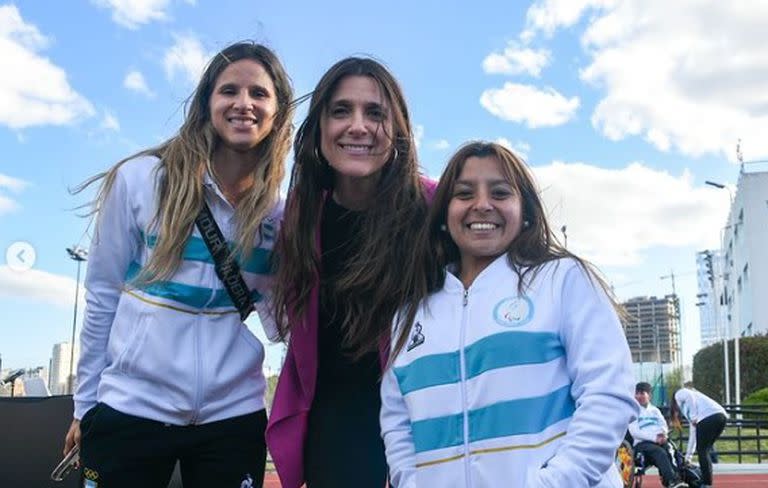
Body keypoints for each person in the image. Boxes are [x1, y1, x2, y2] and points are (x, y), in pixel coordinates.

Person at [61, 41, 295, 488]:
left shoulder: (279, 218)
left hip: (233, 415)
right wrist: (86, 406)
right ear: (207, 104)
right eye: (229, 91)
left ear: (278, 113)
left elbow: (282, 322)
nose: (243, 103)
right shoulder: (142, 181)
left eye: (259, 94)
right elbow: (103, 294)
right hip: (132, 407)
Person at [380, 141, 637, 487]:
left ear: (525, 210)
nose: (482, 205)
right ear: (443, 214)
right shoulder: (410, 311)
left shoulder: (563, 279)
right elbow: (397, 423)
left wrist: (554, 483)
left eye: (500, 193)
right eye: (464, 193)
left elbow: (608, 393)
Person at [266, 57, 434, 488]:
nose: (357, 126)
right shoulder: (300, 217)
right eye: (341, 110)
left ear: (397, 128)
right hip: (336, 427)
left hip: (430, 418)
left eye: (375, 112)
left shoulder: (434, 207)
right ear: (319, 126)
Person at [629, 382, 688, 488]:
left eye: (642, 393)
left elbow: (663, 425)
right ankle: (672, 481)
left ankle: (674, 480)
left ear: (649, 395)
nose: (638, 396)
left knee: (669, 449)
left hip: (658, 441)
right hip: (642, 444)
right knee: (659, 451)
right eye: (636, 393)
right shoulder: (633, 411)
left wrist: (663, 434)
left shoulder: (655, 410)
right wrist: (654, 438)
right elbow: (635, 432)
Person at [671, 386, 727, 488]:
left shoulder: (678, 394)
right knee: (704, 450)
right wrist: (688, 457)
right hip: (720, 416)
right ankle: (706, 481)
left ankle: (706, 482)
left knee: (703, 451)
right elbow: (693, 434)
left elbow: (688, 395)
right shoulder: (691, 411)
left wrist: (693, 416)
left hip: (709, 416)